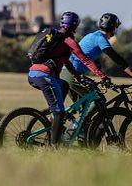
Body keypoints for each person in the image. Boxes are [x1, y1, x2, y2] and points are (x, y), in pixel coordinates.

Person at [27, 11, 110, 147]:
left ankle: (57, 117)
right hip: (45, 76)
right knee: (59, 111)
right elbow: (85, 60)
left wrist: (77, 77)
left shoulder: (57, 40)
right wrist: (102, 76)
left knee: (64, 85)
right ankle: (55, 147)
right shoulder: (68, 41)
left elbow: (67, 63)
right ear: (75, 25)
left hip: (33, 74)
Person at [60, 12, 132, 98]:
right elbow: (117, 59)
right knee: (98, 100)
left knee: (83, 108)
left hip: (65, 73)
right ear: (113, 28)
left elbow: (91, 57)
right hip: (74, 75)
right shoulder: (101, 39)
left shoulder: (91, 35)